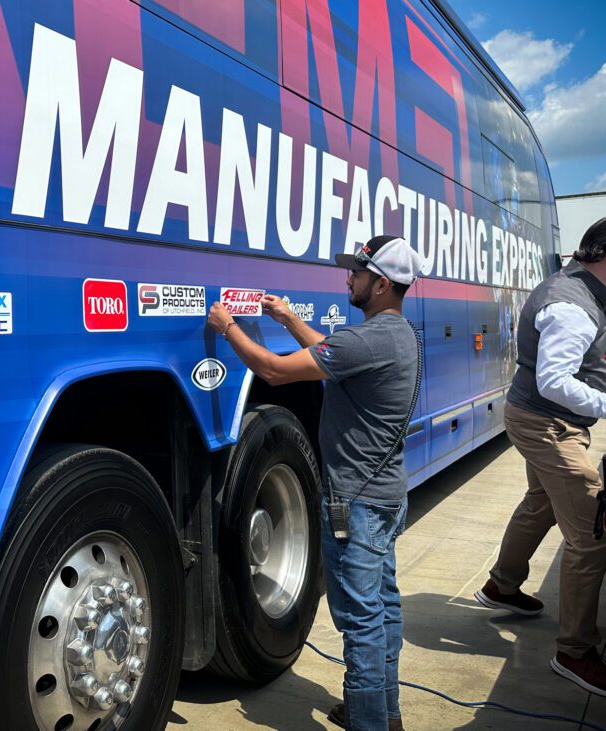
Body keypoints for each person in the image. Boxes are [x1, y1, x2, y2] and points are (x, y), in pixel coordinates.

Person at [208, 234, 423, 731]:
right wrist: (287, 319)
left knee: (361, 621)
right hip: (387, 497)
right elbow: (334, 357)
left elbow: (274, 371)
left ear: (381, 284)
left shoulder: (364, 340)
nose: (348, 278)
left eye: (357, 273)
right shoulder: (398, 336)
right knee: (383, 608)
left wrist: (229, 328)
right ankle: (382, 713)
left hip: (357, 505)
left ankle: (369, 721)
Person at [475, 217, 606, 696]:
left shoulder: (575, 285)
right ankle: (575, 650)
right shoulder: (574, 306)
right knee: (591, 533)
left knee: (542, 503)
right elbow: (556, 380)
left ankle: (501, 586)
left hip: (536, 414)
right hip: (549, 423)